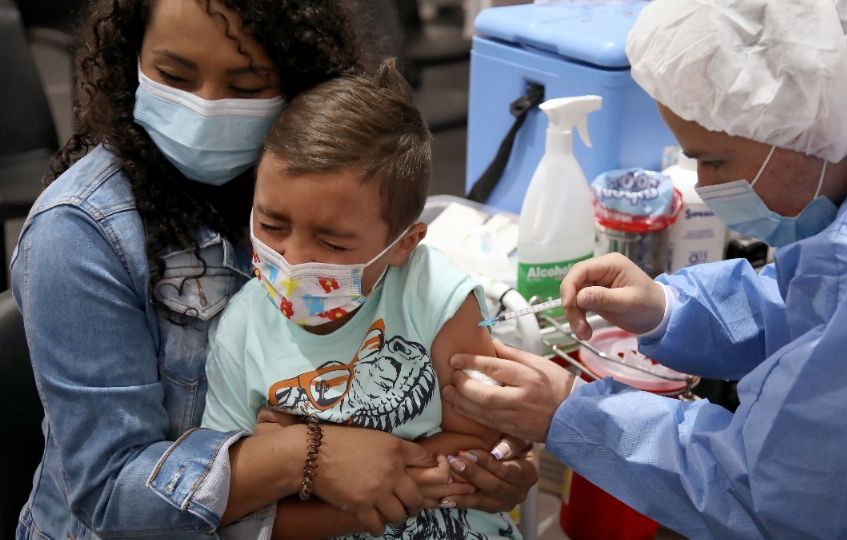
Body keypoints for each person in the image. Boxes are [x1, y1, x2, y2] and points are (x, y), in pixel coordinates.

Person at [11, 1, 535, 538]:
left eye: (245, 85)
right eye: (173, 75)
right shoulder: (79, 233)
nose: (206, 109)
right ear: (131, 59)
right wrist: (308, 456)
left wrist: (488, 472)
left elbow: (475, 443)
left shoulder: (320, 186)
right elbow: (112, 499)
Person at [441, 0, 847, 538]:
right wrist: (672, 310)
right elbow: (825, 309)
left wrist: (572, 412)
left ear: (808, 121)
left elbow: (775, 495)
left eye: (715, 160)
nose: (707, 189)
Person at [202, 61, 523, 539]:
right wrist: (314, 469)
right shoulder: (241, 328)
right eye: (271, 226)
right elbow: (227, 497)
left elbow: (482, 446)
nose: (293, 258)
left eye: (332, 245)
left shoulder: (437, 298)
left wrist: (295, 457)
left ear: (403, 245)